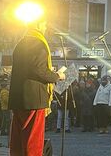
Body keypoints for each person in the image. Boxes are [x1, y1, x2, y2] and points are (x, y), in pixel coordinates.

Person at [8, 19, 65, 156]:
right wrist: (56, 76)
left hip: (19, 98)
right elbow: (38, 70)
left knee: (18, 139)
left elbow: (30, 68)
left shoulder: (21, 43)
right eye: (45, 24)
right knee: (32, 140)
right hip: (33, 98)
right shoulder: (38, 43)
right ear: (39, 25)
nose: (46, 27)